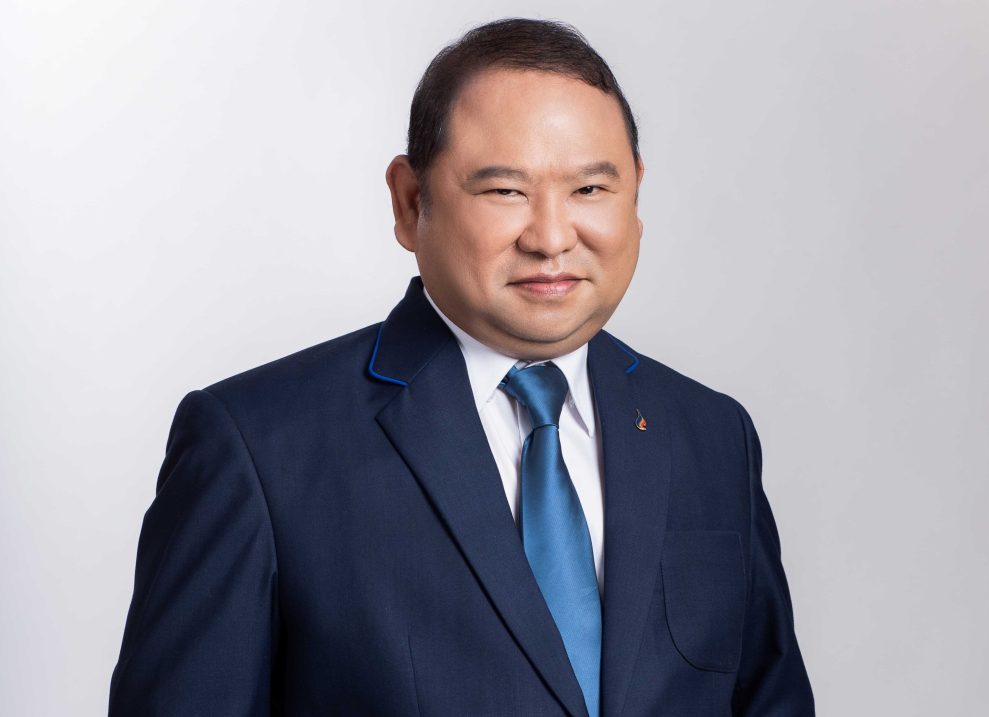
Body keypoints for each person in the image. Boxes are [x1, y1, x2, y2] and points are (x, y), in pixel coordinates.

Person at [109, 17, 814, 716]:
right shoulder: (258, 448)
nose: (551, 237)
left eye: (590, 190)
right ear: (410, 202)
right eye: (505, 190)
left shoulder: (712, 435)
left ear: (636, 197)